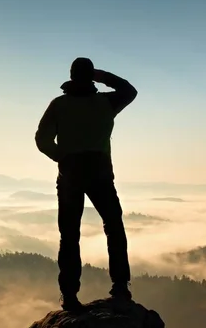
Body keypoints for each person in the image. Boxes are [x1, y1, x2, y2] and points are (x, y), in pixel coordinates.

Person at [34, 57, 138, 311]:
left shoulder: (59, 104)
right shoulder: (106, 102)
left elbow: (42, 139)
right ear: (91, 77)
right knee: (114, 226)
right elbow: (130, 91)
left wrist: (63, 157)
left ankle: (69, 295)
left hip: (70, 176)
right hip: (100, 173)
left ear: (70, 77)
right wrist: (102, 76)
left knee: (69, 235)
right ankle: (120, 287)